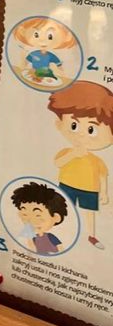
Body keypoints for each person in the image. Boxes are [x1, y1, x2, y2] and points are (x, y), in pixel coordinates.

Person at [48, 80, 113, 250]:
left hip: (90, 189)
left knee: (89, 213)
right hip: (67, 185)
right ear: (59, 124)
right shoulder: (67, 151)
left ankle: (91, 236)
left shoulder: (96, 160)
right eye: (74, 125)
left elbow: (103, 175)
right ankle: (61, 231)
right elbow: (58, 163)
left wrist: (104, 193)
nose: (83, 135)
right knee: (64, 208)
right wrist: (72, 154)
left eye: (91, 129)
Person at [12, 17, 77, 87]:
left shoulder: (50, 55)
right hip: (33, 72)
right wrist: (22, 66)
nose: (42, 40)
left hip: (46, 74)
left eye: (50, 36)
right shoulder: (34, 54)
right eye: (36, 35)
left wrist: (63, 73)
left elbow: (58, 64)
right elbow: (25, 62)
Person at [10, 181, 68, 255]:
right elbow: (32, 250)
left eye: (37, 215)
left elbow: (61, 249)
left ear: (56, 217)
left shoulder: (51, 237)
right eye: (25, 214)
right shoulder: (33, 238)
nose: (30, 221)